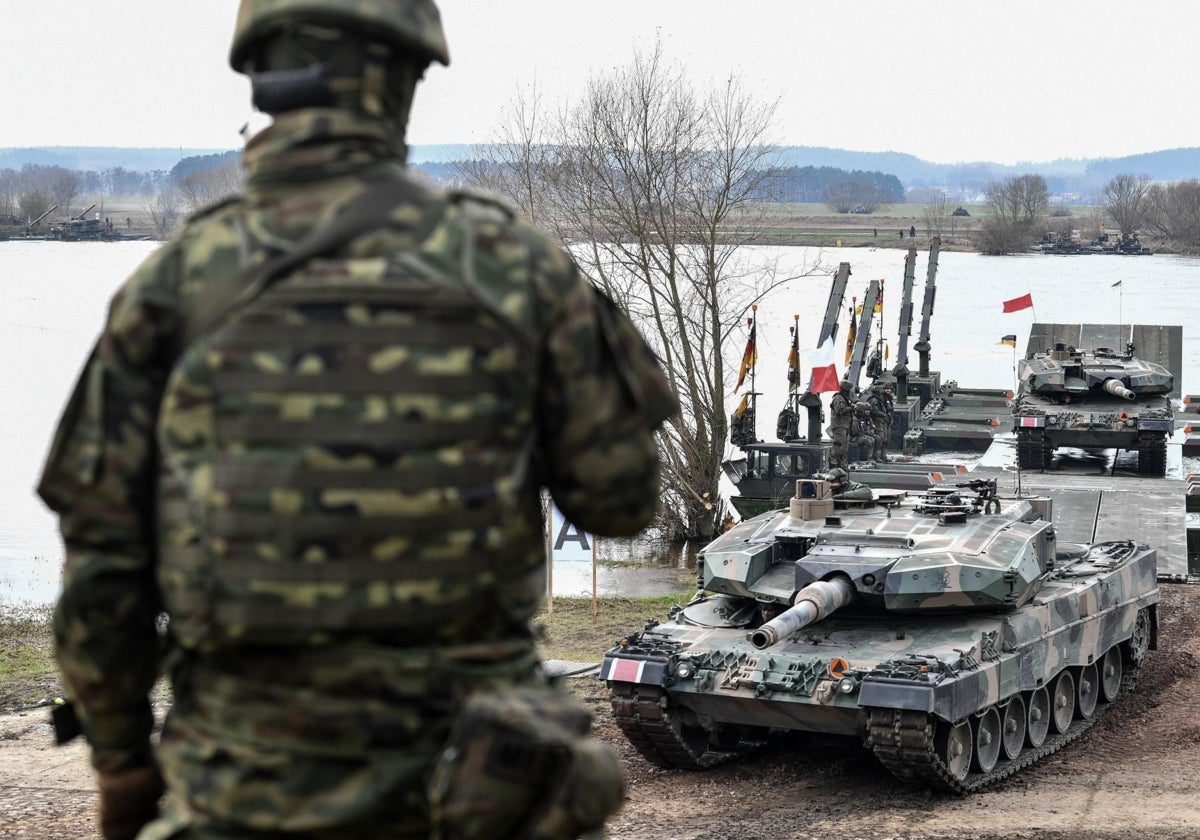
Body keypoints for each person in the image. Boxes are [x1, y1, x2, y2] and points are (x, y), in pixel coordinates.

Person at [38, 2, 677, 839]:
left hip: (245, 787)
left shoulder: (173, 286)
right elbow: (622, 503)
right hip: (481, 789)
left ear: (264, 80)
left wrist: (122, 765)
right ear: (406, 82)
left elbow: (101, 575)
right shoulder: (515, 267)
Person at [828, 378, 874, 468]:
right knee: (838, 445)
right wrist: (852, 408)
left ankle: (842, 464)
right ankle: (834, 464)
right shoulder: (838, 398)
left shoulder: (845, 398)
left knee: (844, 447)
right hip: (839, 425)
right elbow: (839, 410)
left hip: (845, 425)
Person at [866, 380, 896, 462]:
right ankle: (877, 456)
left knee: (885, 439)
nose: (887, 390)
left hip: (886, 420)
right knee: (880, 439)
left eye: (889, 389)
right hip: (879, 421)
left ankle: (883, 456)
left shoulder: (887, 398)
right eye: (886, 389)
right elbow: (874, 411)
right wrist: (884, 414)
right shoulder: (876, 399)